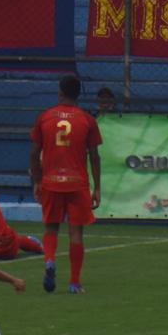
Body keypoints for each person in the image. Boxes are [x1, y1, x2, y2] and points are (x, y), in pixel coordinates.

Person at [30, 74, 103, 294]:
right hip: (77, 183)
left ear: (60, 92)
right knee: (76, 232)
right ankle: (74, 282)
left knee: (51, 226)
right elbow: (94, 155)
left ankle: (50, 260)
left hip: (51, 182)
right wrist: (97, 187)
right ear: (78, 94)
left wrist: (37, 181)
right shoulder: (87, 119)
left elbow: (34, 153)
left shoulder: (45, 117)